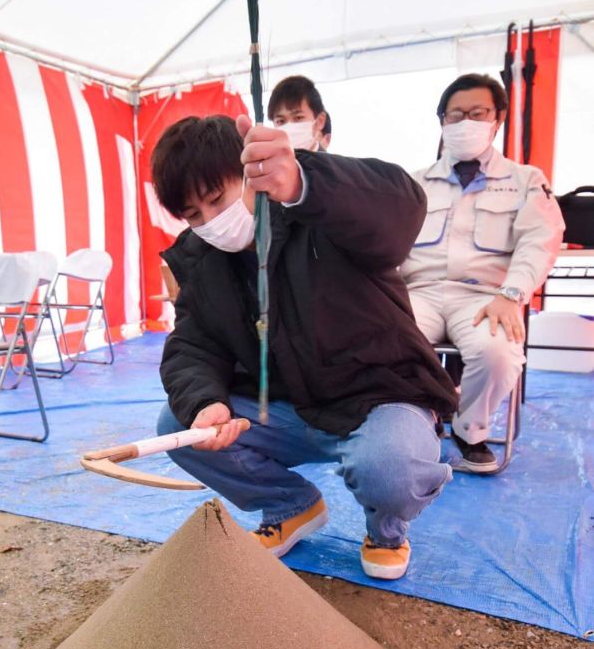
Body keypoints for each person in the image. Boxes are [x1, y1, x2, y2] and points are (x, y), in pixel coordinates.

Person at [151, 113, 457, 581]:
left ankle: (387, 529)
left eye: (217, 199)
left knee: (388, 468)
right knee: (178, 423)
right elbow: (193, 344)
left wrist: (302, 180)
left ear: (252, 172)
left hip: (381, 397)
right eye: (194, 215)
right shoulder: (199, 259)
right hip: (287, 412)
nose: (211, 222)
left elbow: (402, 208)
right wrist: (205, 402)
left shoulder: (320, 206)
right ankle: (289, 505)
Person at [401, 74, 564, 473]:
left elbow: (540, 239)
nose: (464, 123)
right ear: (441, 121)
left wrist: (512, 294)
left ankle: (468, 430)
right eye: (455, 115)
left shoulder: (525, 180)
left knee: (499, 354)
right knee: (385, 343)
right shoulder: (415, 181)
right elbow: (388, 243)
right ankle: (414, 424)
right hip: (418, 292)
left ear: (498, 118)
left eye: (477, 113)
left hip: (485, 296)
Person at [268, 74, 331, 152]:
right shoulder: (267, 162)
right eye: (281, 121)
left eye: (298, 118)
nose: (289, 126)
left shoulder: (335, 164)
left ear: (320, 121)